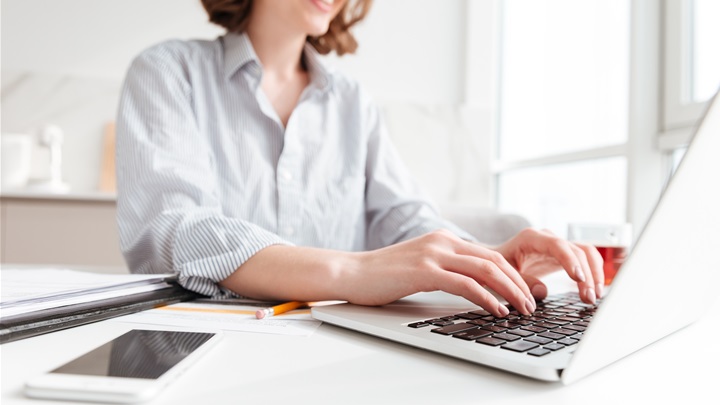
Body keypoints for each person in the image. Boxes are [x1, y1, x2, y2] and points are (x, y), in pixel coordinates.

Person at [116, 0, 604, 319]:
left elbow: (405, 219)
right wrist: (352, 272)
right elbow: (174, 230)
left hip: (338, 345)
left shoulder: (352, 102)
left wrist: (485, 259)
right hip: (206, 345)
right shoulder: (166, 73)